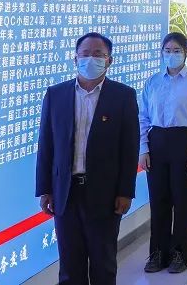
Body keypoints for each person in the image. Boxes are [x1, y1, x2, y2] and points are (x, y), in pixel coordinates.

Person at [35, 32, 139, 285]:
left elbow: (129, 148)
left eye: (98, 54)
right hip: (65, 192)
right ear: (75, 59)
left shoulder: (123, 96)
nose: (90, 59)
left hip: (105, 194)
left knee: (103, 264)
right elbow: (46, 145)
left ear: (109, 60)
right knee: (70, 267)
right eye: (85, 54)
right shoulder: (56, 95)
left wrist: (125, 191)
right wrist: (45, 189)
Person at [138, 33, 187, 274]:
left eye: (176, 50)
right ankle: (158, 252)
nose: (171, 55)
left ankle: (180, 253)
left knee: (183, 201)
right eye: (167, 50)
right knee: (159, 200)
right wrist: (143, 148)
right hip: (157, 142)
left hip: (184, 141)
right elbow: (143, 117)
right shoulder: (153, 82)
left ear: (186, 52)